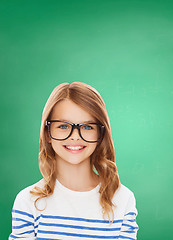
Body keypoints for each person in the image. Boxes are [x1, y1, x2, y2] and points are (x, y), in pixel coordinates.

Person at [9, 82, 139, 239]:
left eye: (87, 127)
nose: (75, 136)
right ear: (48, 133)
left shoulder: (123, 199)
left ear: (101, 134)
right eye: (63, 126)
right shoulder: (28, 202)